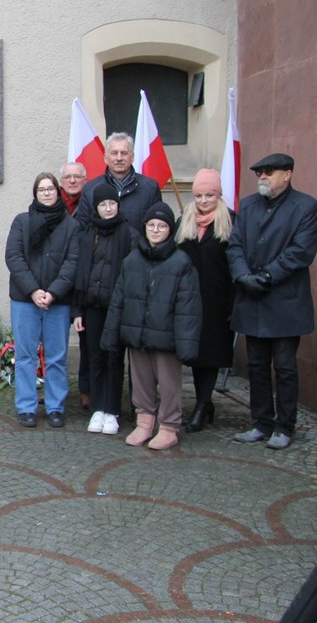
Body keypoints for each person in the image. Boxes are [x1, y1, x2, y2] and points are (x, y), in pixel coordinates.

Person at [227, 153, 317, 450]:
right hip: (251, 298)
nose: (262, 177)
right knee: (256, 365)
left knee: (284, 366)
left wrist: (266, 277)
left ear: (287, 174)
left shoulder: (306, 207)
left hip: (284, 302)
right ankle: (261, 421)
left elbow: (300, 252)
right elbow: (235, 245)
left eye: (268, 172)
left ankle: (284, 425)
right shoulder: (250, 205)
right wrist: (243, 276)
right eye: (259, 173)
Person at [102, 202, 201, 450]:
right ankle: (144, 422)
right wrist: (111, 333)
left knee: (169, 385)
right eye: (151, 225)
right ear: (145, 227)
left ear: (170, 230)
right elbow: (119, 298)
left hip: (166, 337)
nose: (156, 230)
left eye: (162, 226)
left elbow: (188, 306)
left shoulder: (181, 262)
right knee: (141, 381)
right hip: (137, 333)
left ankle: (169, 427)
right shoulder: (133, 259)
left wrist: (186, 342)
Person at [4, 172, 79, 427]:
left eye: (51, 189)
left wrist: (53, 292)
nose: (47, 193)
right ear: (35, 194)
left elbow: (72, 262)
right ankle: (26, 406)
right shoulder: (22, 222)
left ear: (58, 193)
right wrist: (34, 291)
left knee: (57, 355)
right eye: (42, 189)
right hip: (25, 300)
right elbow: (14, 258)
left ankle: (55, 405)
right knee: (26, 356)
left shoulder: (70, 225)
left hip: (58, 302)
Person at [71, 183, 138, 436]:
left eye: (112, 203)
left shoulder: (130, 235)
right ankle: (97, 408)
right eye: (103, 204)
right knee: (94, 357)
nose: (108, 208)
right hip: (91, 307)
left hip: (117, 308)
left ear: (117, 205)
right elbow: (79, 274)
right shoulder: (87, 234)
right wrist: (77, 311)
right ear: (96, 208)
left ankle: (112, 409)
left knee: (113, 358)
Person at [174, 169, 236, 433]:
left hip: (217, 301)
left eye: (209, 195)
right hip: (188, 301)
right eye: (198, 195)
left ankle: (201, 406)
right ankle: (204, 403)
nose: (203, 200)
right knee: (194, 354)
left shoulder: (231, 221)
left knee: (210, 355)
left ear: (218, 195)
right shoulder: (184, 220)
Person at [75, 133, 162, 233]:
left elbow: (157, 227)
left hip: (138, 248)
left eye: (124, 153)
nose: (119, 158)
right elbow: (82, 229)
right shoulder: (90, 189)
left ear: (132, 157)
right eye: (114, 153)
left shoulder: (150, 188)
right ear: (106, 158)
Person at [60, 160, 90, 409]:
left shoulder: (91, 205)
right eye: (68, 177)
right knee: (51, 342)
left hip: (84, 280)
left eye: (77, 177)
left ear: (85, 180)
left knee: (87, 341)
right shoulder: (50, 204)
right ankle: (49, 387)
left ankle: (86, 390)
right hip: (57, 282)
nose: (72, 181)